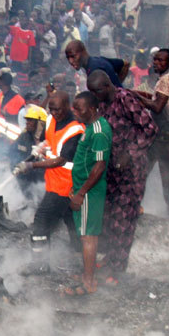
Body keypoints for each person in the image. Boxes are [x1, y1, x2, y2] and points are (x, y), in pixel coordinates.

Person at [86, 69, 157, 280]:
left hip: (132, 170)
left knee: (124, 218)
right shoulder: (102, 103)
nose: (95, 96)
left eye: (97, 91)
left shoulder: (125, 99)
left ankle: (118, 270)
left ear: (107, 86)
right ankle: (111, 256)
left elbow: (150, 128)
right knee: (109, 216)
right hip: (111, 169)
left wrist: (130, 153)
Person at [15, 91, 85, 264]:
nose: (54, 113)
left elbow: (61, 160)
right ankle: (79, 254)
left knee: (41, 219)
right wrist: (40, 148)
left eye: (58, 110)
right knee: (70, 218)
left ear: (68, 106)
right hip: (54, 180)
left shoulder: (75, 129)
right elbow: (49, 140)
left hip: (66, 183)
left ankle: (39, 263)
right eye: (51, 109)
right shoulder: (51, 120)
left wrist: (32, 165)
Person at [67, 91, 111, 294]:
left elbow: (100, 166)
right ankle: (87, 274)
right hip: (82, 188)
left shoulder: (100, 131)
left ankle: (88, 282)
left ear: (92, 109)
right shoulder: (90, 127)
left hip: (90, 192)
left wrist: (81, 193)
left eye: (80, 108)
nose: (75, 111)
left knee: (88, 238)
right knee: (86, 235)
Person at [137, 48, 169, 218]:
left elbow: (157, 107)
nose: (156, 63)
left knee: (162, 173)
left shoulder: (166, 80)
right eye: (155, 60)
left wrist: (135, 97)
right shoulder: (168, 77)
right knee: (147, 169)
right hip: (164, 131)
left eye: (161, 60)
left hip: (164, 133)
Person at [0, 72, 26, 142]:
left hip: (10, 139)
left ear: (3, 82)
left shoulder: (19, 100)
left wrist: (8, 115)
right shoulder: (0, 95)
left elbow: (21, 120)